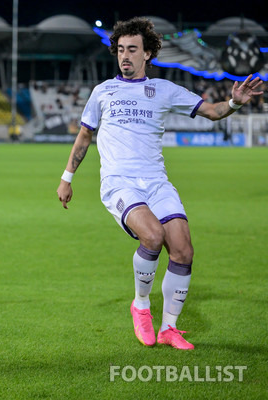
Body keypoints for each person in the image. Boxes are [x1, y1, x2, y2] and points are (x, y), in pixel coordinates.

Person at [56, 17, 263, 350]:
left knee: (183, 249)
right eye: (120, 49)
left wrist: (236, 102)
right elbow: (84, 135)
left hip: (156, 181)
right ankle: (140, 304)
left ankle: (169, 328)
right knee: (152, 235)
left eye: (132, 49)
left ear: (147, 53)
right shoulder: (102, 92)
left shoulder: (165, 90)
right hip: (119, 182)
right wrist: (67, 178)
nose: (125, 56)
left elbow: (211, 110)